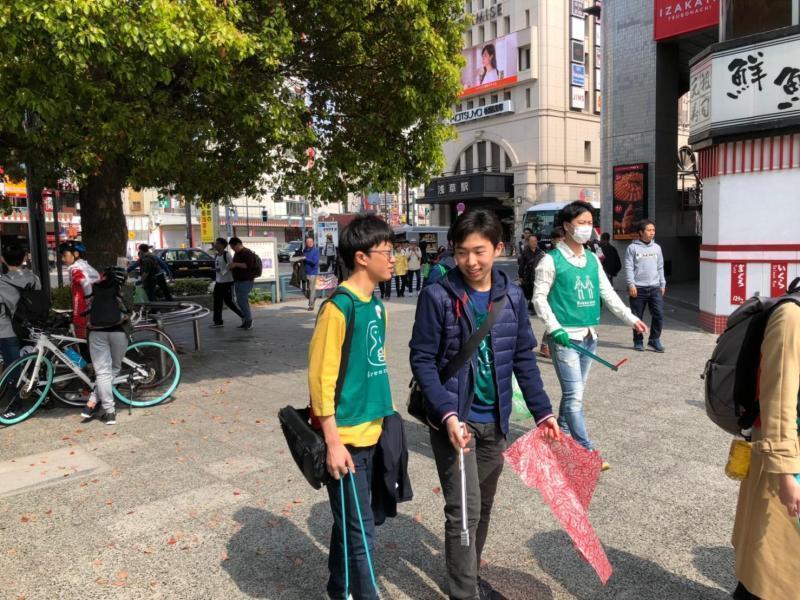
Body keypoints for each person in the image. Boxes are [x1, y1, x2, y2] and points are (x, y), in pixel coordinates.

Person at [410, 210, 559, 600]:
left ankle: (470, 569)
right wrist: (447, 414)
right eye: (462, 253)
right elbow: (422, 359)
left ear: (498, 248)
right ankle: (464, 593)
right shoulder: (437, 295)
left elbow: (523, 358)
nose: (471, 262)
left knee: (485, 503)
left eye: (479, 251)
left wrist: (543, 412)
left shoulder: (510, 295)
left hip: (496, 419)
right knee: (464, 509)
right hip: (454, 421)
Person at [308, 214, 396, 600]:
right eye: (388, 252)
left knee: (353, 522)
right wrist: (332, 442)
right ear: (362, 257)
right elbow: (320, 381)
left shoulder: (375, 305)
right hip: (345, 440)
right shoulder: (338, 308)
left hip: (374, 431)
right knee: (362, 532)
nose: (395, 258)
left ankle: (338, 587)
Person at [534, 201, 647, 469]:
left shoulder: (592, 260)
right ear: (566, 226)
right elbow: (538, 298)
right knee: (574, 397)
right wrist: (554, 329)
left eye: (589, 223)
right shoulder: (551, 261)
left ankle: (558, 432)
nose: (587, 228)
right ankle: (586, 451)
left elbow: (607, 294)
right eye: (581, 223)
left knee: (575, 393)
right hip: (565, 340)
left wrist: (631, 319)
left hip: (588, 337)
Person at [731, 301, 800, 600]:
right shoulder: (793, 316)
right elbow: (779, 398)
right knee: (769, 568)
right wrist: (785, 470)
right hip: (785, 455)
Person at [80, 267, 130, 425]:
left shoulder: (95, 290)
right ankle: (97, 404)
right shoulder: (125, 291)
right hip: (119, 333)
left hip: (96, 333)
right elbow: (129, 312)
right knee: (114, 369)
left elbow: (87, 311)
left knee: (102, 373)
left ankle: (106, 410)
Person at [625, 219, 667, 353]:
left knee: (659, 314)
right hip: (638, 288)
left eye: (653, 230)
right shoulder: (632, 248)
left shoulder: (657, 248)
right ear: (641, 232)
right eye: (649, 230)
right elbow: (629, 267)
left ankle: (654, 340)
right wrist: (631, 284)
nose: (652, 233)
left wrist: (662, 283)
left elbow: (660, 266)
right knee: (637, 317)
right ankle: (638, 341)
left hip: (655, 287)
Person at [0, 245, 42, 365]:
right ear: (24, 257)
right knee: (31, 366)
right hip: (30, 329)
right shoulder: (34, 279)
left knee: (13, 368)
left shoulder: (2, 283)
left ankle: (14, 383)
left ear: (2, 259)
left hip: (7, 331)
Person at [59, 241, 100, 343]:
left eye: (65, 255)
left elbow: (85, 284)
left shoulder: (75, 268)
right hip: (95, 311)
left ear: (76, 254)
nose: (63, 259)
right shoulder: (88, 267)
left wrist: (88, 303)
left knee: (82, 342)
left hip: (82, 312)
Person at [538, 227, 565, 359]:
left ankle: (549, 345)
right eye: (559, 239)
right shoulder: (548, 256)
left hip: (563, 294)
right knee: (554, 319)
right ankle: (545, 345)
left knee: (559, 319)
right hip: (551, 294)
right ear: (554, 240)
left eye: (563, 239)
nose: (562, 241)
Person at [210, 238, 244, 328]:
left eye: (217, 243)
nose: (215, 245)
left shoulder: (227, 254)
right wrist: (216, 271)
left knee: (229, 302)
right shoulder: (217, 255)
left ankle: (244, 316)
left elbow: (231, 265)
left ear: (222, 245)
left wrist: (221, 271)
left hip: (227, 282)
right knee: (217, 302)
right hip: (219, 282)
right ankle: (218, 322)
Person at [228, 237, 259, 329]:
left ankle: (248, 321)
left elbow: (248, 265)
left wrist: (235, 264)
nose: (233, 249)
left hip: (246, 280)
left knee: (242, 301)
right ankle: (246, 320)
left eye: (233, 247)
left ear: (238, 244)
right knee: (241, 301)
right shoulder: (237, 253)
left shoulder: (247, 253)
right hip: (238, 280)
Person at [518, 233, 545, 314]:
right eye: (532, 241)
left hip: (538, 275)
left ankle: (534, 307)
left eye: (535, 241)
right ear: (528, 242)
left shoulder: (540, 252)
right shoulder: (525, 252)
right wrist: (520, 275)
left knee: (536, 291)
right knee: (528, 291)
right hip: (528, 276)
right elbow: (521, 265)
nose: (534, 243)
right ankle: (530, 303)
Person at [302, 236, 320, 311]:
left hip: (313, 272)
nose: (309, 243)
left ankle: (311, 305)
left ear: (313, 242)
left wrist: (306, 259)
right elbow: (303, 260)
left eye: (310, 242)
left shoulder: (316, 251)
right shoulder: (305, 250)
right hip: (305, 272)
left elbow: (315, 262)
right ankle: (313, 297)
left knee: (311, 289)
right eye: (307, 242)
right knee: (304, 289)